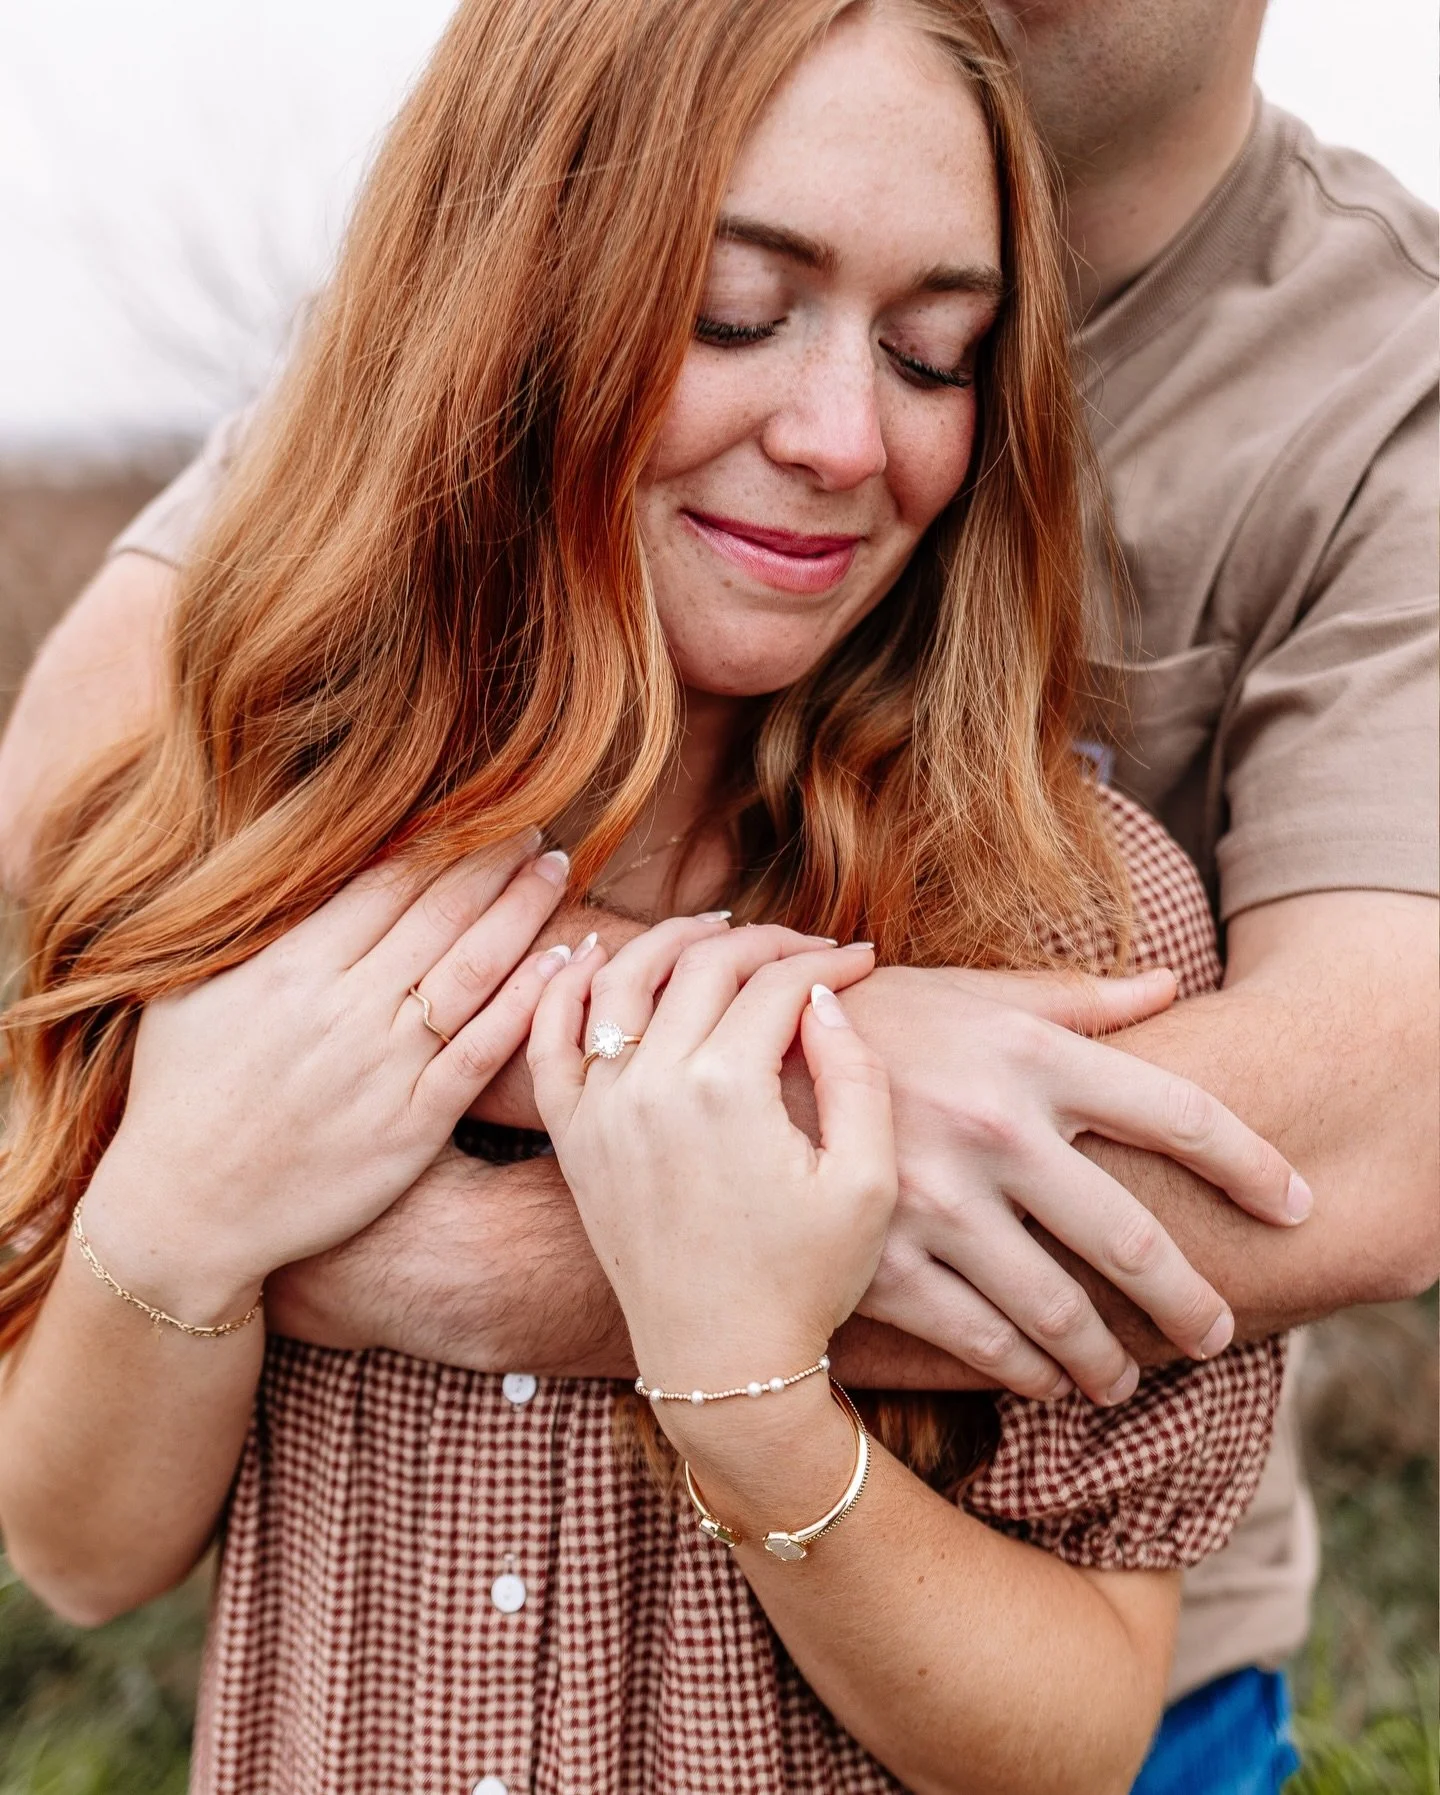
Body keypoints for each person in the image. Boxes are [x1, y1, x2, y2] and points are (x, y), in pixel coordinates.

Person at [0, 0, 1434, 1788]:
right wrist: (185, 1212)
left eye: (936, 355)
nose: (843, 434)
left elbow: (1078, 1725)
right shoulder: (281, 825)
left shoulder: (1074, 934)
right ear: (518, 303)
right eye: (734, 317)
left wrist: (740, 1359)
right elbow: (79, 1542)